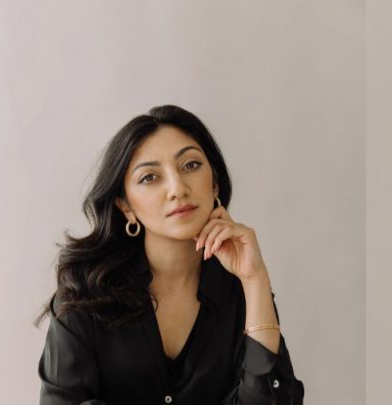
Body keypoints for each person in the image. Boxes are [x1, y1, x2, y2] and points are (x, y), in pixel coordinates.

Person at [35, 105, 304, 404]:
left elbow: (275, 399)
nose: (177, 188)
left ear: (214, 181)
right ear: (126, 206)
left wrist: (255, 281)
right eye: (150, 177)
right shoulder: (84, 291)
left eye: (190, 165)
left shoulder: (239, 288)